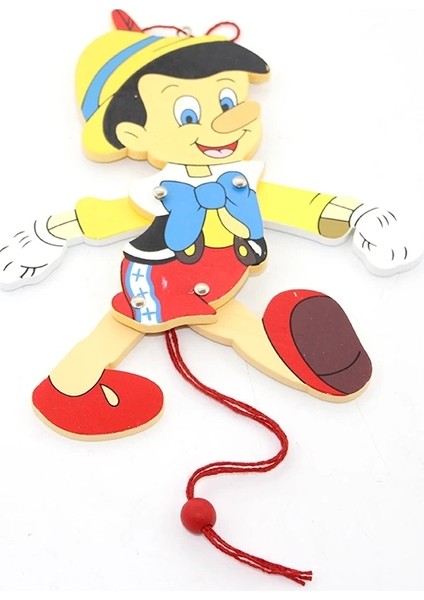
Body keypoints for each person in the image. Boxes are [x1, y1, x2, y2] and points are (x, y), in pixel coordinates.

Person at [0, 16, 420, 439]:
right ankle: (70, 387)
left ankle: (70, 386)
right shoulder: (162, 191)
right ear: (132, 133)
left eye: (227, 100)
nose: (226, 121)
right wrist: (47, 234)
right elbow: (106, 216)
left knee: (232, 328)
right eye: (187, 113)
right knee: (137, 323)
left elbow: (298, 206)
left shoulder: (241, 184)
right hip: (163, 273)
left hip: (217, 278)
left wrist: (359, 216)